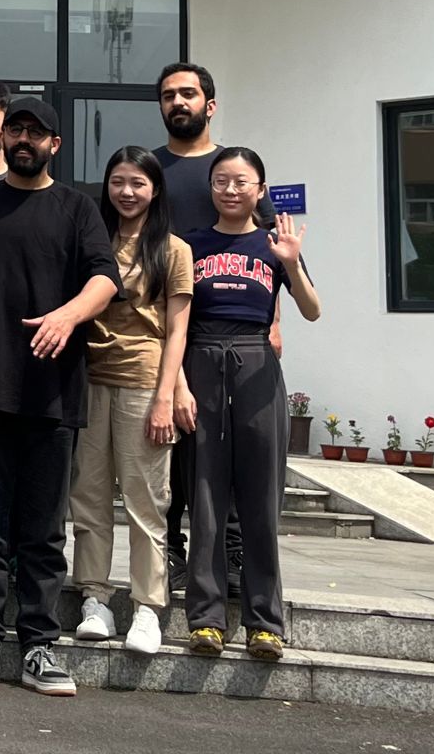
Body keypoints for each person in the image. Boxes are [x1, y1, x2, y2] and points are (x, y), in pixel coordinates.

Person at [0, 95, 119, 697]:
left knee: (44, 533)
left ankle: (40, 647)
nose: (23, 139)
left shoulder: (78, 208)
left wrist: (68, 316)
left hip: (54, 394)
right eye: (15, 129)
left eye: (35, 132)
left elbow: (105, 277)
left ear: (55, 144)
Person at [184, 147, 320, 663]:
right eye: (221, 180)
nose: (231, 190)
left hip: (257, 362)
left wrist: (292, 264)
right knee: (205, 495)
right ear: (211, 187)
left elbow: (312, 311)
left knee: (262, 499)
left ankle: (265, 623)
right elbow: (176, 319)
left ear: (260, 189)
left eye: (242, 181)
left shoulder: (274, 245)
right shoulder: (190, 245)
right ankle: (206, 619)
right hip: (201, 360)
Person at [152, 61, 277, 591]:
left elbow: (269, 252)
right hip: (163, 326)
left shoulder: (234, 168)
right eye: (168, 95)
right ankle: (171, 553)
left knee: (228, 450)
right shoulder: (152, 168)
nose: (178, 102)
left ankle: (232, 552)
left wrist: (274, 321)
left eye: (187, 93)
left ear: (210, 104)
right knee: (171, 450)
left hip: (229, 338)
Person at [69, 147, 192, 657]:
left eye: (138, 183)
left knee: (146, 503)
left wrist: (167, 396)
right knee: (89, 497)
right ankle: (93, 599)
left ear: (155, 189)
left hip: (143, 381)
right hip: (88, 379)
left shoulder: (173, 249)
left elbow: (178, 330)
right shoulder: (92, 239)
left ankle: (147, 607)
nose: (126, 192)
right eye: (118, 181)